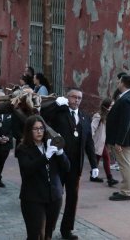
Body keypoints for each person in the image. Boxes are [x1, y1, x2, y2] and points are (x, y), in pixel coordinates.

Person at [41, 87, 99, 239]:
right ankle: (47, 230)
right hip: (58, 164)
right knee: (55, 198)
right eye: (74, 97)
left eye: (79, 98)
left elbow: (89, 143)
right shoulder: (59, 112)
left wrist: (94, 165)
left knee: (72, 199)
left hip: (75, 166)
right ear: (67, 98)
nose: (77, 100)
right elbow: (43, 117)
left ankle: (67, 230)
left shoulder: (85, 117)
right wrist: (56, 105)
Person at [16, 115, 70, 240]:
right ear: (29, 131)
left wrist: (60, 153)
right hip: (33, 198)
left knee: (48, 234)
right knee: (36, 234)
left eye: (41, 128)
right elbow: (27, 170)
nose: (39, 131)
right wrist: (45, 156)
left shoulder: (50, 144)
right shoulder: (23, 149)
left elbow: (67, 167)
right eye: (35, 129)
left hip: (54, 196)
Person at [106, 75, 130, 201]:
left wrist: (119, 141)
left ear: (123, 83)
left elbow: (126, 122)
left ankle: (126, 192)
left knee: (125, 164)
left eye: (119, 82)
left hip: (123, 139)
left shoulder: (127, 99)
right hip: (126, 137)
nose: (118, 83)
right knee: (128, 163)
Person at [91, 98, 119, 187]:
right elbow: (92, 129)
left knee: (97, 158)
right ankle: (109, 178)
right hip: (97, 141)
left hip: (103, 142)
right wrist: (90, 141)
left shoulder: (108, 116)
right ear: (106, 106)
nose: (112, 107)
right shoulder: (98, 116)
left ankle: (93, 175)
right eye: (111, 106)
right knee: (106, 158)